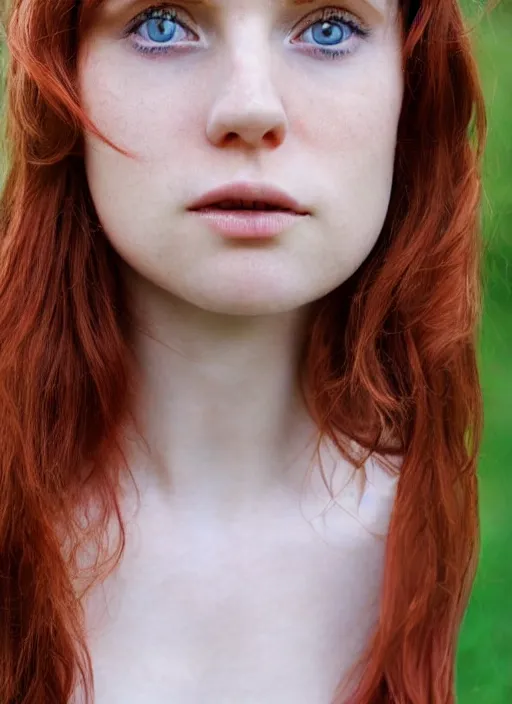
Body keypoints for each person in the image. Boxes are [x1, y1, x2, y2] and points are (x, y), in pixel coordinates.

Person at [0, 0, 488, 702]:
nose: (250, 107)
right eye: (161, 23)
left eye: (328, 27)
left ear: (413, 91)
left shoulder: (415, 520)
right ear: (61, 80)